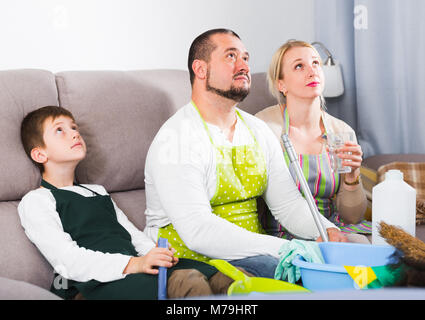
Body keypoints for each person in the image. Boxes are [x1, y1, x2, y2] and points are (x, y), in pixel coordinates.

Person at [143, 29, 348, 279]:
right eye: (231, 56)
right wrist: (285, 248)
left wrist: (328, 231)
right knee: (315, 277)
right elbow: (198, 231)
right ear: (201, 69)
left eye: (246, 58)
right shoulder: (175, 140)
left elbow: (288, 206)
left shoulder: (257, 130)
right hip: (192, 263)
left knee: (347, 268)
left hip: (255, 255)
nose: (244, 66)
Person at [18, 105, 237, 300]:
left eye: (74, 128)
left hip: (133, 268)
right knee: (186, 282)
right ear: (39, 154)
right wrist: (134, 264)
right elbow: (68, 260)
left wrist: (155, 252)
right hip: (90, 283)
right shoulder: (36, 201)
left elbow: (131, 234)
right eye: (60, 130)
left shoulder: (98, 192)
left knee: (223, 277)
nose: (74, 134)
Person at [255, 40, 370, 243]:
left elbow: (353, 217)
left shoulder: (341, 131)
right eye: (299, 66)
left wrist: (352, 176)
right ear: (281, 84)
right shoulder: (263, 127)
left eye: (316, 63)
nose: (312, 71)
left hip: (334, 231)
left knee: (364, 245)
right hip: (282, 235)